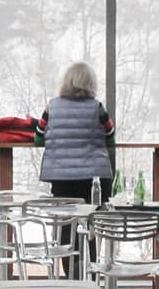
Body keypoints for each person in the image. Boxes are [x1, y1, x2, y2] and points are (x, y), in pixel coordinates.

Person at [36, 61, 115, 200]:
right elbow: (110, 133)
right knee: (94, 219)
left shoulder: (52, 107)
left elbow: (38, 136)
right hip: (94, 177)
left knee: (66, 219)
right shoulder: (98, 107)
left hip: (61, 177)